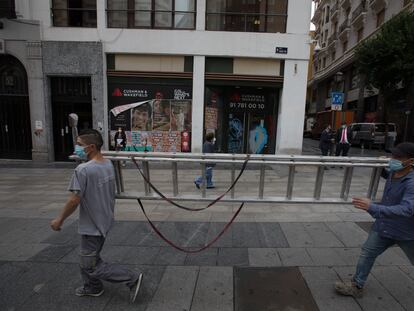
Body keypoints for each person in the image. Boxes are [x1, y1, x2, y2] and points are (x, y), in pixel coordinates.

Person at [50, 129, 143, 302]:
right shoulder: (107, 164)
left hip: (92, 225)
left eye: (79, 144)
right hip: (105, 220)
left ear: (91, 147)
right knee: (90, 257)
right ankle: (92, 287)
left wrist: (59, 219)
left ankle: (132, 277)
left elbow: (74, 200)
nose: (76, 148)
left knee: (89, 265)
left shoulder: (83, 169)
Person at [335, 142, 414, 298]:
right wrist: (381, 163)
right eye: (393, 156)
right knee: (367, 254)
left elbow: (407, 209)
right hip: (384, 227)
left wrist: (373, 207)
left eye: (398, 157)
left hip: (407, 232)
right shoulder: (394, 172)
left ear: (411, 161)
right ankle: (357, 286)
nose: (393, 159)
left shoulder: (412, 183)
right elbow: (386, 174)